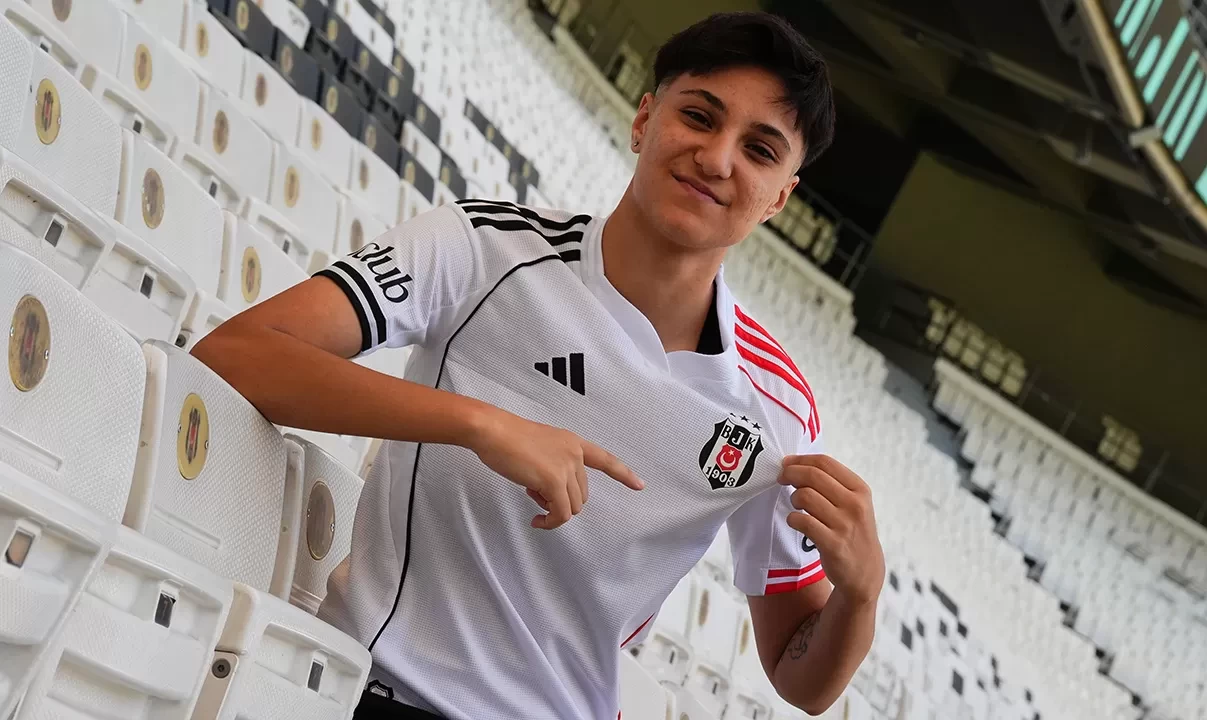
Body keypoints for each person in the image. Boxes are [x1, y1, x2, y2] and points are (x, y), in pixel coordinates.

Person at [193, 11, 885, 719]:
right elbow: (237, 353)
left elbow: (801, 679)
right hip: (371, 690)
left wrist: (860, 597)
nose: (717, 158)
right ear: (644, 120)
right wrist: (479, 424)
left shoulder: (777, 406)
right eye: (699, 117)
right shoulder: (481, 247)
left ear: (779, 197)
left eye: (760, 150)